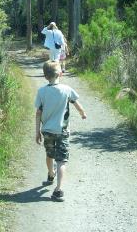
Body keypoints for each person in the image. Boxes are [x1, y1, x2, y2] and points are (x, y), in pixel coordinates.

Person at [35, 60, 87, 202]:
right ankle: (58, 190)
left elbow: (38, 113)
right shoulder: (67, 89)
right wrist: (83, 113)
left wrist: (37, 132)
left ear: (45, 76)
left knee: (49, 154)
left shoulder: (41, 92)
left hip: (47, 131)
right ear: (61, 74)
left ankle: (51, 174)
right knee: (62, 160)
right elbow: (76, 104)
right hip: (62, 131)